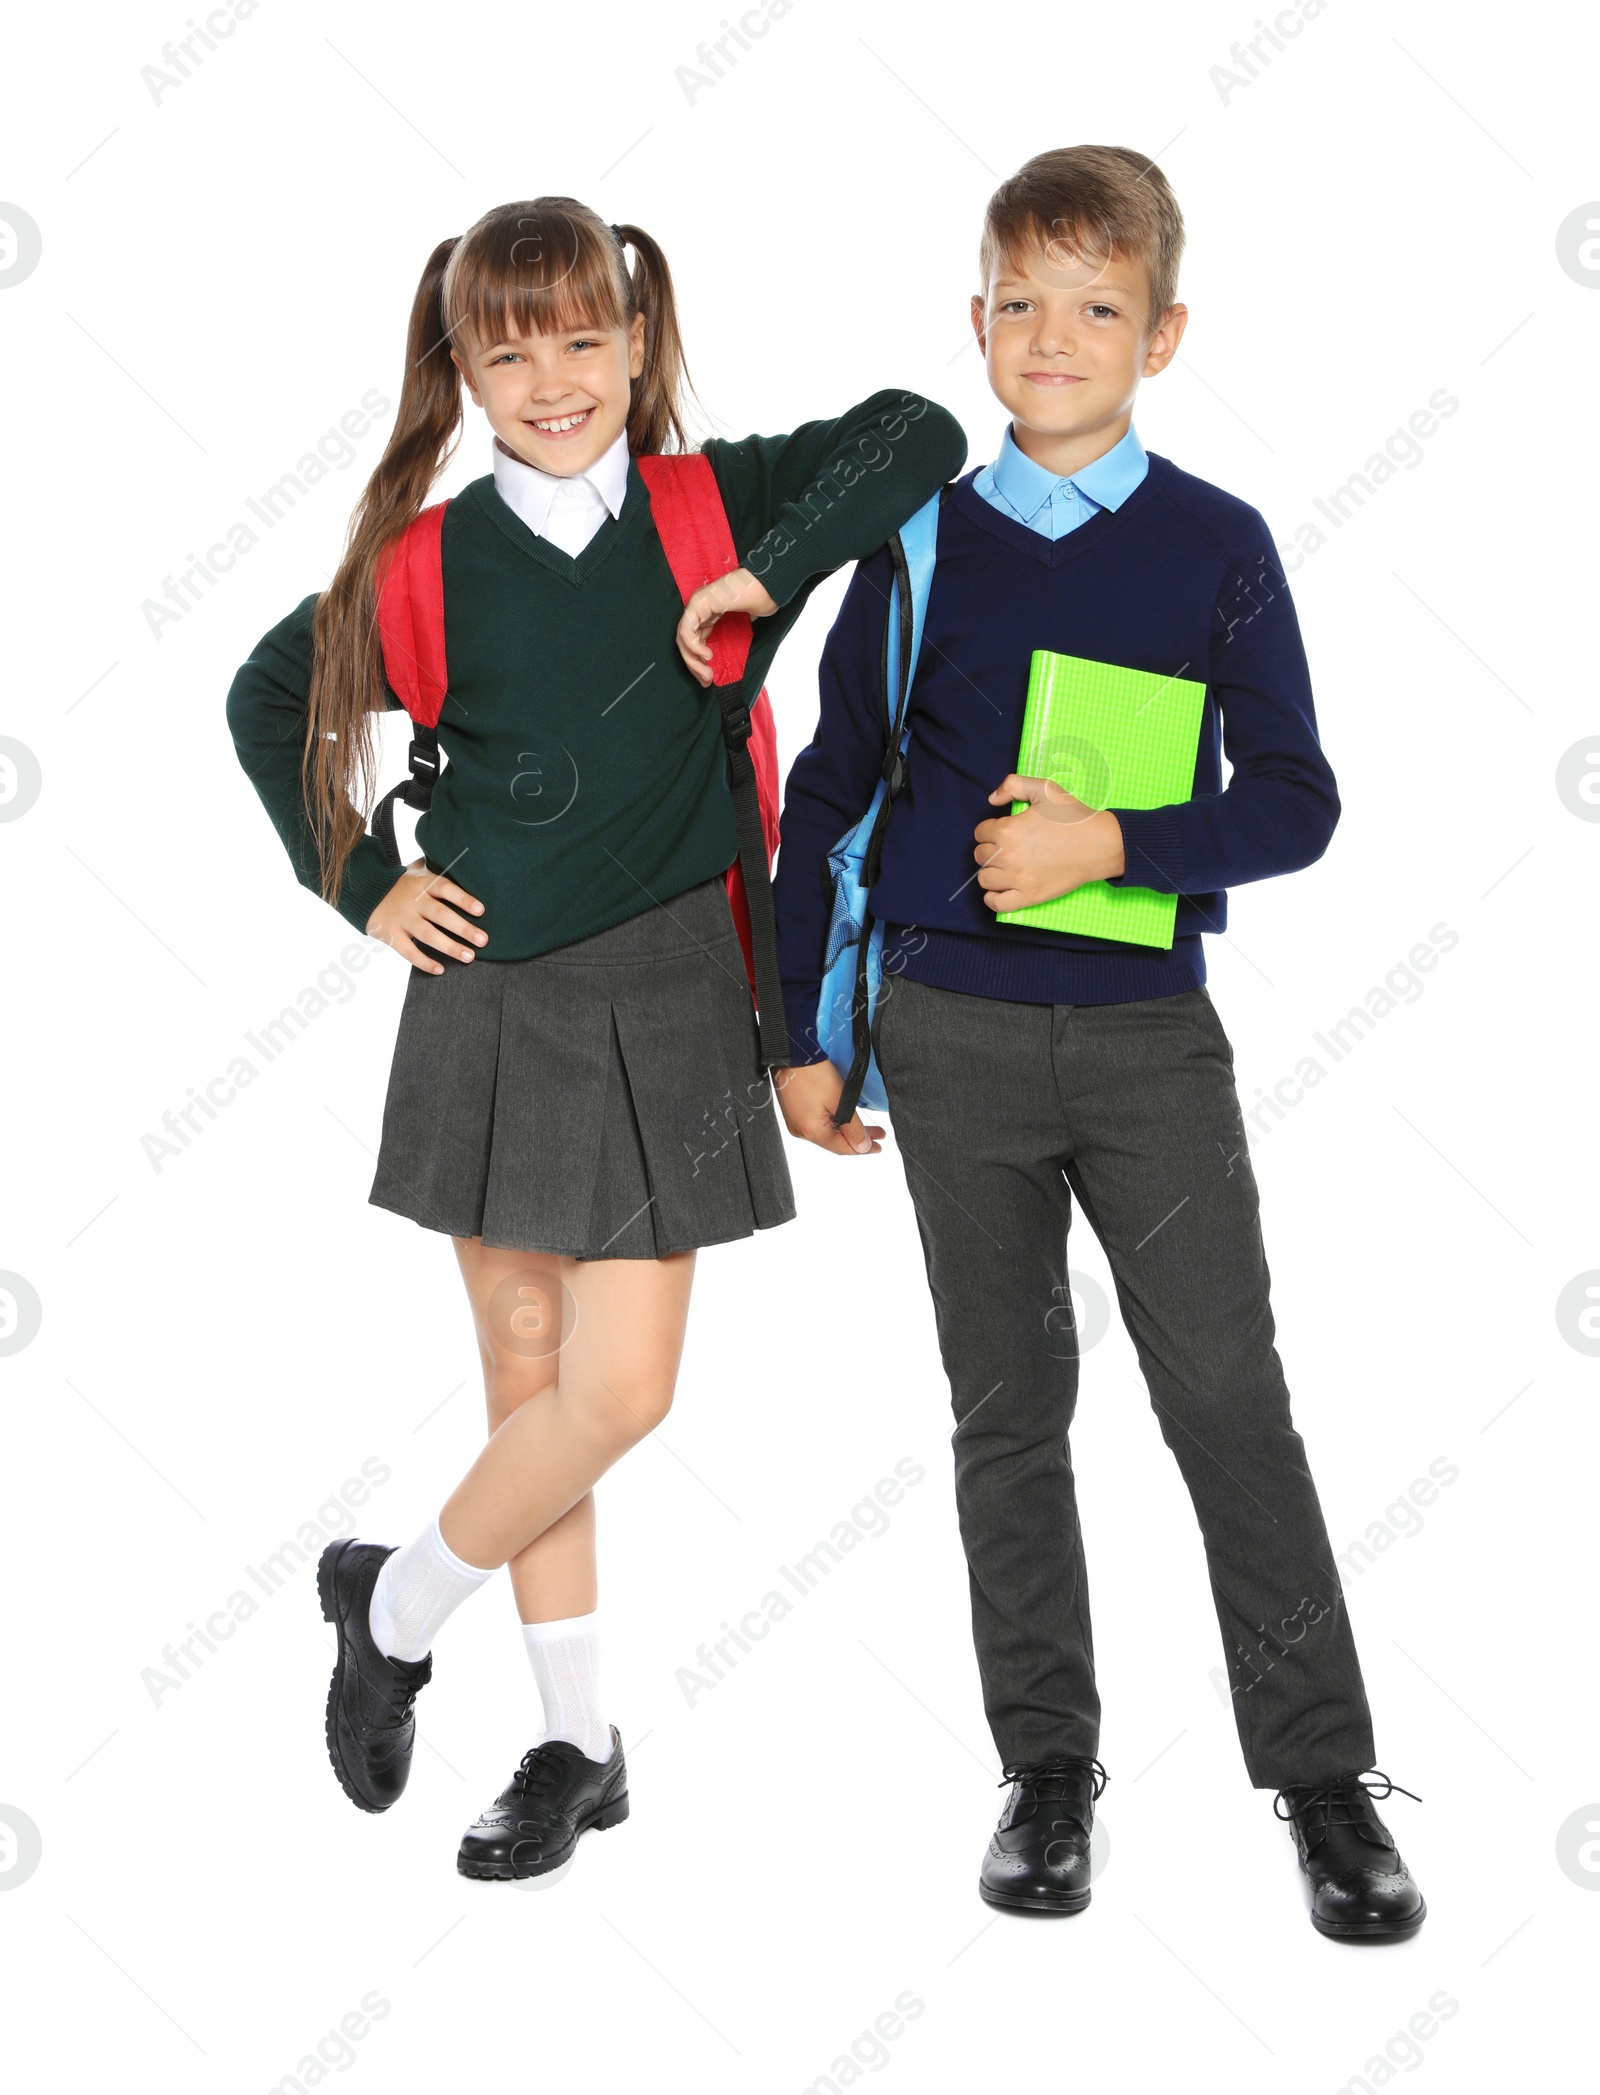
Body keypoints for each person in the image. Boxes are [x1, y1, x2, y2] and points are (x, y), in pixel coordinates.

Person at [225, 195, 965, 1882]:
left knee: (620, 1391)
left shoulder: (718, 500)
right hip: (492, 998)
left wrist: (765, 571)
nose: (552, 379)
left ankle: (392, 1605)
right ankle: (573, 1744)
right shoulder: (423, 562)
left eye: (584, 338)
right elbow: (271, 702)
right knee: (534, 1390)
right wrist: (363, 882)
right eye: (510, 348)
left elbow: (919, 433)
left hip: (679, 988)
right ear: (464, 373)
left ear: (638, 343)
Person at [771, 146, 1424, 1939]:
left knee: (1230, 1401)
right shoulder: (913, 545)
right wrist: (799, 1031)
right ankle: (1046, 1771)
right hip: (954, 1038)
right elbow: (832, 792)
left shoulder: (1218, 544)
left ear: (1165, 330)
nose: (1055, 336)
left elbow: (1298, 801)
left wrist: (1110, 845)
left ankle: (1322, 1781)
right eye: (1021, 300)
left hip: (1147, 1042)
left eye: (1099, 306)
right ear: (974, 315)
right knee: (1008, 1413)